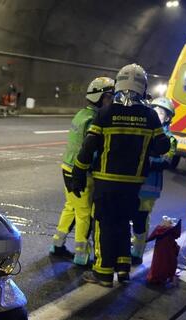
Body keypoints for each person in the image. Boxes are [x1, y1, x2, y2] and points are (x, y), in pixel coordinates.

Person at [71, 64, 170, 286]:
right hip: (133, 183)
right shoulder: (150, 115)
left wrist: (78, 173)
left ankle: (102, 273)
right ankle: (123, 269)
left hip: (106, 181)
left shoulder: (106, 113)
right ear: (143, 87)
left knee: (104, 224)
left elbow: (88, 147)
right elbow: (162, 146)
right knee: (123, 223)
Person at [50, 76, 114, 266]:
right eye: (109, 97)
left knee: (71, 207)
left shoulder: (81, 114)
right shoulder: (95, 119)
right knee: (84, 213)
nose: (111, 101)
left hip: (67, 168)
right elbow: (92, 149)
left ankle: (57, 244)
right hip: (81, 171)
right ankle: (81, 256)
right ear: (100, 97)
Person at [131, 96, 177, 265]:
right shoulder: (142, 130)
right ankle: (130, 246)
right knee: (129, 216)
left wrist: (144, 160)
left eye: (161, 113)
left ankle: (137, 253)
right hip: (133, 183)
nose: (157, 115)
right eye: (155, 111)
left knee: (141, 219)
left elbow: (165, 161)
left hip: (149, 188)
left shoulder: (169, 139)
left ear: (168, 118)